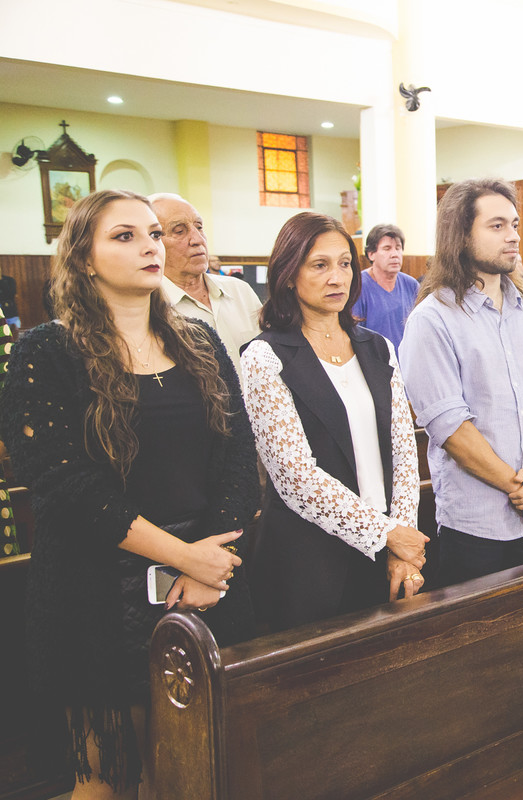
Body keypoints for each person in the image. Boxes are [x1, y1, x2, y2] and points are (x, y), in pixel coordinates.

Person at [0, 189, 254, 797]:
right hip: (93, 591)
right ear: (84, 259)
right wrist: (181, 555)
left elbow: (238, 457)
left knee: (191, 775)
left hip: (201, 588)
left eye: (152, 234)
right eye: (124, 236)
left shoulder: (200, 343)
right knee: (107, 779)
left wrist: (208, 564)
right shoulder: (46, 352)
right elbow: (63, 484)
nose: (150, 245)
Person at [241, 212, 426, 632]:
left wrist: (403, 544)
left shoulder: (377, 347)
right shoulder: (265, 356)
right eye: (319, 265)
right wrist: (386, 534)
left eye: (344, 263)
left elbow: (402, 450)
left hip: (383, 550)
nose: (337, 278)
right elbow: (296, 478)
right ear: (289, 274)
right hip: (306, 556)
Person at [399, 179, 523, 586]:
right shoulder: (432, 319)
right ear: (461, 235)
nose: (512, 236)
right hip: (477, 529)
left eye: (514, 224)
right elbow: (451, 428)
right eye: (496, 226)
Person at [149, 193, 263, 377]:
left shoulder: (240, 291)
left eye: (199, 227)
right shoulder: (150, 306)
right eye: (179, 231)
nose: (197, 239)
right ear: (153, 242)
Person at [351, 223, 420, 349]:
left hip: (405, 362)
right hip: (374, 362)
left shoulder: (411, 285)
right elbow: (355, 336)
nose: (394, 254)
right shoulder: (358, 286)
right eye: (387, 248)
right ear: (371, 254)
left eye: (398, 248)